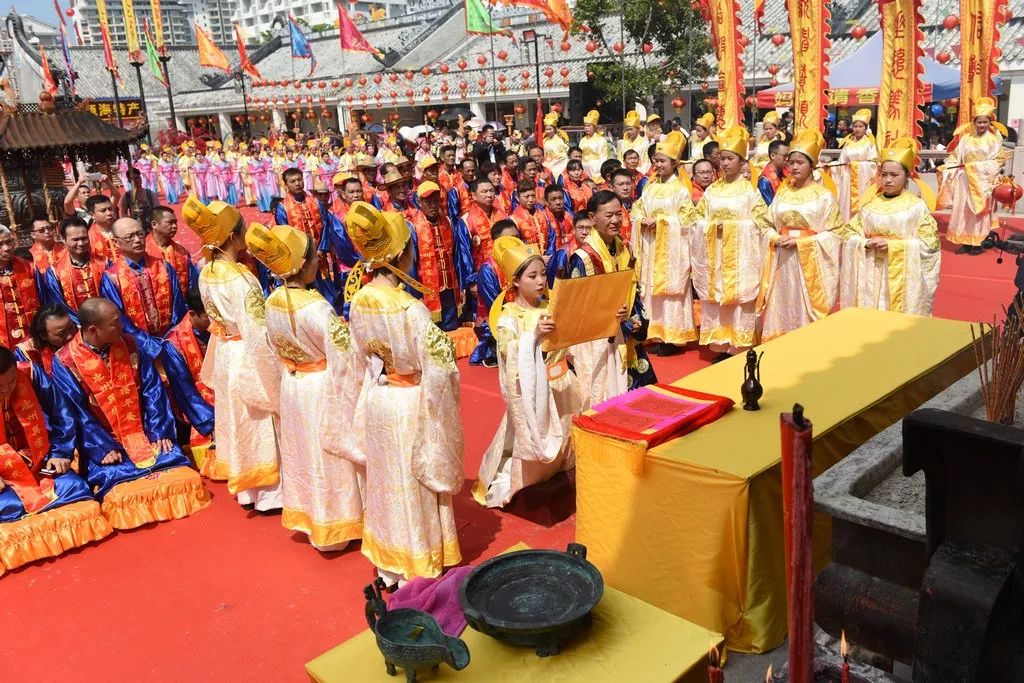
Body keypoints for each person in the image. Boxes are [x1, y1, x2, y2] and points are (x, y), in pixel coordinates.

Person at [324, 202, 464, 585]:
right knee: (413, 480)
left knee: (386, 480)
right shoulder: (410, 309)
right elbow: (439, 368)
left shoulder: (360, 302)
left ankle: (389, 559)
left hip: (379, 398)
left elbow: (355, 357)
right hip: (408, 401)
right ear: (402, 254)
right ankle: (416, 560)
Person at [246, 223, 363, 552]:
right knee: (327, 454)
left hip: (293, 385)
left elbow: (269, 346)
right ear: (304, 263)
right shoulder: (317, 307)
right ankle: (336, 524)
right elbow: (344, 358)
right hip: (319, 387)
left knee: (302, 452)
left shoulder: (272, 301)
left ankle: (310, 517)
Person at [51, 297, 210, 529]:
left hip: (143, 431)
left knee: (171, 459)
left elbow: (152, 389)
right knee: (115, 475)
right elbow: (75, 412)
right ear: (93, 330)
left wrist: (158, 430)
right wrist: (101, 447)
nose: (122, 326)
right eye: (115, 323)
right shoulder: (65, 362)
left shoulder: (131, 344)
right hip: (105, 441)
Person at [185, 196, 283, 511]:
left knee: (236, 417)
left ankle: (246, 489)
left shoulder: (207, 271)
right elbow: (257, 330)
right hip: (246, 351)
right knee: (258, 416)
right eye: (241, 228)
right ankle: (269, 492)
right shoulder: (242, 278)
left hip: (226, 349)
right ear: (231, 236)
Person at [474, 236, 581, 508]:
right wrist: (532, 338)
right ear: (516, 281)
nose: (540, 281)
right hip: (536, 392)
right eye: (532, 276)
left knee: (568, 441)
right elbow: (509, 350)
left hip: (563, 384)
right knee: (538, 449)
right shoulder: (510, 315)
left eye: (543, 274)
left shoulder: (552, 306)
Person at [0, 345, 112, 575]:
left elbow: (61, 413)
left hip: (35, 458)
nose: (7, 390)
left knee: (75, 487)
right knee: (7, 506)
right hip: (3, 474)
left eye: (11, 382)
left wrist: (61, 453)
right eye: (0, 387)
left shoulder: (29, 372)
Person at [99, 217, 215, 438]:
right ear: (116, 242)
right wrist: (147, 344)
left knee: (184, 378)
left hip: (170, 339)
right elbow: (119, 317)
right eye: (129, 237)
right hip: (135, 344)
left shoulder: (162, 266)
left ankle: (204, 424)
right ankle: (160, 437)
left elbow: (177, 304)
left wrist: (170, 337)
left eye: (139, 234)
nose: (136, 240)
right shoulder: (112, 277)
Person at [690, 125, 772, 357]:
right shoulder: (712, 191)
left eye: (730, 159)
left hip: (740, 257)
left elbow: (762, 224)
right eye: (722, 159)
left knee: (739, 299)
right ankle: (719, 343)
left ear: (741, 161)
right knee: (717, 298)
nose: (725, 163)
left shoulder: (749, 191)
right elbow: (695, 221)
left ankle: (739, 344)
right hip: (715, 254)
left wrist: (733, 228)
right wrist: (712, 228)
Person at [568, 191, 656, 407]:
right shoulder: (583, 258)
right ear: (592, 217)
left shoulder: (624, 248)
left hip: (628, 334)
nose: (616, 220)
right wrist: (619, 323)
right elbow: (579, 306)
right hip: (600, 342)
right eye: (609, 215)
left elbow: (633, 288)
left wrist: (636, 319)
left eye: (619, 214)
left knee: (644, 400)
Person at [837, 138, 940, 315]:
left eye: (894, 175)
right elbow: (848, 233)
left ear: (907, 176)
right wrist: (864, 243)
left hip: (901, 278)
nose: (888, 180)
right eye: (884, 174)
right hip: (870, 273)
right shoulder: (870, 205)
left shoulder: (916, 207)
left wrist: (894, 246)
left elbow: (930, 245)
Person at [759, 131, 842, 342]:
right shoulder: (784, 193)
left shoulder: (823, 196)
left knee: (804, 305)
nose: (794, 167)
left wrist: (803, 243)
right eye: (791, 162)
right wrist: (775, 238)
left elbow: (835, 233)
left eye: (800, 162)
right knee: (781, 302)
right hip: (782, 259)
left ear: (811, 165)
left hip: (808, 262)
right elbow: (766, 223)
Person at [631, 131, 698, 353]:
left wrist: (661, 222)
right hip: (651, 247)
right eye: (655, 161)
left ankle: (673, 337)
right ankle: (656, 333)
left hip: (671, 250)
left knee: (670, 293)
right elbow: (636, 211)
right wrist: (642, 222)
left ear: (674, 163)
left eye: (662, 161)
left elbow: (688, 221)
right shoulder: (649, 188)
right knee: (651, 290)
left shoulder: (680, 190)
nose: (657, 165)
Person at [942, 97, 1008, 254]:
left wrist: (974, 167)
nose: (982, 125)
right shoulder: (966, 139)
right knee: (963, 210)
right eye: (979, 122)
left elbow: (998, 161)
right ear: (974, 122)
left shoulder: (993, 140)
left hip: (982, 182)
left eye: (985, 122)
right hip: (965, 180)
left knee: (978, 213)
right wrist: (948, 167)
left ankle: (979, 242)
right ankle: (965, 242)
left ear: (990, 122)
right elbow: (955, 156)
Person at [164, 288, 217, 477]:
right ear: (193, 314)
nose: (215, 322)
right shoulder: (173, 344)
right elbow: (184, 391)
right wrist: (212, 420)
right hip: (199, 404)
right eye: (209, 317)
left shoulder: (219, 328)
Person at [409, 181, 472, 331]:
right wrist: (415, 295)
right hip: (427, 290)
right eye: (428, 201)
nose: (432, 205)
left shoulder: (448, 222)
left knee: (452, 329)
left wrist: (462, 285)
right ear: (419, 202)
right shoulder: (413, 227)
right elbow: (411, 265)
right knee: (431, 332)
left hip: (449, 287)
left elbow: (457, 257)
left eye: (436, 200)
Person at [471, 220, 521, 367]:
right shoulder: (488, 269)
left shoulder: (518, 260)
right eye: (510, 239)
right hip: (498, 320)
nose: (516, 242)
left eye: (517, 238)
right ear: (497, 242)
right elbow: (495, 305)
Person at [43, 217, 106, 323]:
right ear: (63, 239)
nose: (81, 243)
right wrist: (81, 323)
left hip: (106, 321)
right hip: (77, 326)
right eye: (75, 240)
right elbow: (59, 303)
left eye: (84, 238)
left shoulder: (104, 263)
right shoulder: (54, 271)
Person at [834, 108, 880, 221]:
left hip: (863, 179)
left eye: (860, 126)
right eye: (855, 126)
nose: (857, 129)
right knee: (846, 201)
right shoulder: (848, 142)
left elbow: (874, 164)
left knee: (863, 200)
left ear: (866, 128)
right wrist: (830, 165)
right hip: (848, 178)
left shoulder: (870, 143)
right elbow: (841, 161)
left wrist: (856, 165)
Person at [0, 225, 41, 349]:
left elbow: (44, 299)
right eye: (0, 244)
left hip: (32, 336)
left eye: (9, 242)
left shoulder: (29, 267)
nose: (6, 248)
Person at [146, 206, 198, 296]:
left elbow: (192, 283)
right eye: (170, 223)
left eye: (175, 222)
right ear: (154, 224)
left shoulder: (182, 252)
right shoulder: (144, 251)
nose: (175, 226)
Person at [460, 177, 507, 272]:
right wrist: (472, 279)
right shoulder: (466, 221)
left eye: (491, 191)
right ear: (473, 195)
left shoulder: (503, 215)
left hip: (504, 268)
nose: (489, 195)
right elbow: (464, 253)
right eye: (484, 192)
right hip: (482, 272)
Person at [15, 305, 76, 374]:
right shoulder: (27, 352)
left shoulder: (81, 332)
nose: (70, 336)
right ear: (44, 336)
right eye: (61, 333)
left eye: (70, 327)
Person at [547, 213, 593, 286]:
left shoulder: (596, 249)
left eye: (589, 228)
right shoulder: (564, 253)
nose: (584, 232)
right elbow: (557, 283)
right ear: (574, 229)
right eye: (580, 228)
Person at [511, 181, 552, 255]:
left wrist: (549, 257)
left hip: (548, 259)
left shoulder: (543, 214)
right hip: (528, 260)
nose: (531, 200)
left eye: (533, 196)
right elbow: (517, 246)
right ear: (518, 197)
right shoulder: (514, 220)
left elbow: (552, 237)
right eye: (526, 197)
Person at [750, 111, 784, 179]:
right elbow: (755, 158)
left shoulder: (779, 143)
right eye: (766, 129)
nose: (768, 131)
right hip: (757, 170)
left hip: (771, 173)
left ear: (776, 129)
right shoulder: (761, 143)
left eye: (770, 129)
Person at [85, 194, 118, 263]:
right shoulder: (88, 237)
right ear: (92, 215)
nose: (109, 213)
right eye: (103, 211)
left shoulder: (122, 229)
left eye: (110, 209)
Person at [757, 139, 791, 205]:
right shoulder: (764, 181)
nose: (787, 159)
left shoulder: (784, 172)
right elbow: (769, 206)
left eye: (788, 156)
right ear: (773, 156)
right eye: (785, 156)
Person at [579, 110, 611, 179]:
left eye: (589, 126)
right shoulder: (582, 140)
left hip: (596, 168)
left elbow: (603, 157)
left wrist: (600, 170)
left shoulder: (601, 140)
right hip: (584, 167)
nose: (586, 128)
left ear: (594, 127)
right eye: (585, 126)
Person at [542, 112, 570, 179]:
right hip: (546, 165)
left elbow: (562, 156)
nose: (548, 131)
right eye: (546, 129)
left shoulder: (559, 140)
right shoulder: (545, 140)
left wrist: (550, 164)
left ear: (554, 129)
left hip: (557, 167)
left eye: (550, 129)